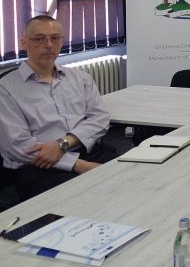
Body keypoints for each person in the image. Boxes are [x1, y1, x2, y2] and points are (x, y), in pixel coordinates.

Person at [0, 15, 112, 200]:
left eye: (55, 38)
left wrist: (62, 145)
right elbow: (18, 147)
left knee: (134, 178)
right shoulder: (6, 89)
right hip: (40, 167)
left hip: (87, 152)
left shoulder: (81, 78)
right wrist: (79, 165)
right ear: (23, 43)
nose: (49, 45)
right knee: (88, 199)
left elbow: (99, 119)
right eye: (39, 38)